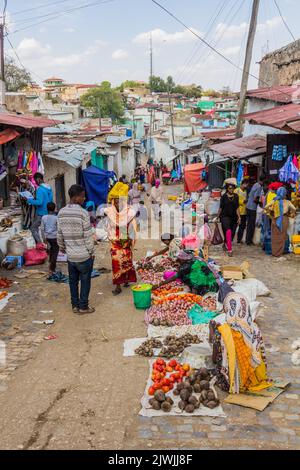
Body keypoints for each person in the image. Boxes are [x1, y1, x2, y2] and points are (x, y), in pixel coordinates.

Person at [210, 292, 272, 393]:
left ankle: (234, 379)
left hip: (232, 382)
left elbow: (214, 359)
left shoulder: (223, 331)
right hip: (256, 378)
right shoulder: (255, 328)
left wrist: (213, 332)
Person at [57, 185, 95, 315]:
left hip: (71, 257)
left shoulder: (61, 212)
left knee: (73, 282)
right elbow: (88, 236)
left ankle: (74, 305)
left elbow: (60, 235)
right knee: (85, 281)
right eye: (82, 196)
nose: (84, 199)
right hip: (83, 255)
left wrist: (63, 249)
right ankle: (83, 307)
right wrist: (91, 252)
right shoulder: (83, 213)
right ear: (76, 197)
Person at [105, 182, 137, 296]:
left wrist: (130, 238)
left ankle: (126, 279)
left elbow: (132, 226)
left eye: (119, 201)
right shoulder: (110, 213)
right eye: (115, 201)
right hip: (115, 241)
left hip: (125, 239)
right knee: (116, 262)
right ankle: (118, 285)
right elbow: (108, 226)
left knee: (126, 260)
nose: (117, 203)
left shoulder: (128, 212)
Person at [153, 251, 219, 296]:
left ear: (184, 259)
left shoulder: (186, 267)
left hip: (208, 287)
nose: (178, 260)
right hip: (213, 281)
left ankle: (197, 294)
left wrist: (159, 285)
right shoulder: (195, 259)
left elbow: (175, 277)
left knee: (188, 278)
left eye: (180, 259)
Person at [265, 186, 296, 257]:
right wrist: (292, 213)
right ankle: (279, 253)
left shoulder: (274, 200)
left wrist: (270, 214)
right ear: (285, 194)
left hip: (275, 219)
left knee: (275, 236)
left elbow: (266, 207)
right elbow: (294, 208)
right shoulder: (288, 202)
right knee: (282, 236)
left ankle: (274, 252)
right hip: (284, 219)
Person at [27, 172, 53, 244]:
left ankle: (40, 244)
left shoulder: (40, 189)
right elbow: (50, 200)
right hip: (48, 212)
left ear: (38, 179)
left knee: (33, 229)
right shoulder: (49, 187)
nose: (35, 182)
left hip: (41, 213)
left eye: (35, 180)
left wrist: (29, 200)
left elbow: (39, 202)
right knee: (46, 230)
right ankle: (48, 245)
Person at [217, 183, 240, 257]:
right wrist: (217, 216)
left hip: (234, 217)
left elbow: (237, 207)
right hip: (224, 216)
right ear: (227, 189)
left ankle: (226, 243)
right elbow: (221, 207)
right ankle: (230, 249)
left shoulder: (236, 196)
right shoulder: (224, 196)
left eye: (232, 188)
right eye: (229, 188)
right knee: (228, 231)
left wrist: (239, 217)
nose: (231, 189)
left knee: (232, 233)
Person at [246, 176, 266, 246]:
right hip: (252, 208)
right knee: (251, 225)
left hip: (248, 206)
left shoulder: (255, 184)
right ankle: (248, 241)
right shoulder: (259, 187)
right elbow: (255, 199)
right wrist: (261, 203)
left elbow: (250, 195)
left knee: (249, 224)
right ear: (263, 181)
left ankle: (247, 239)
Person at [41, 202, 59, 276]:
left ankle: (50, 264)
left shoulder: (43, 217)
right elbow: (59, 228)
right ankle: (52, 268)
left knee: (51, 250)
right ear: (54, 209)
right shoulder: (56, 218)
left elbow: (42, 229)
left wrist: (43, 238)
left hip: (47, 237)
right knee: (55, 251)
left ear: (47, 209)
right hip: (55, 237)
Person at [235, 179, 249, 244]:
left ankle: (239, 239)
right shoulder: (236, 190)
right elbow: (234, 200)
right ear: (242, 184)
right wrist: (242, 202)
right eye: (245, 184)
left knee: (242, 226)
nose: (246, 186)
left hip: (244, 211)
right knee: (235, 225)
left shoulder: (245, 191)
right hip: (237, 211)